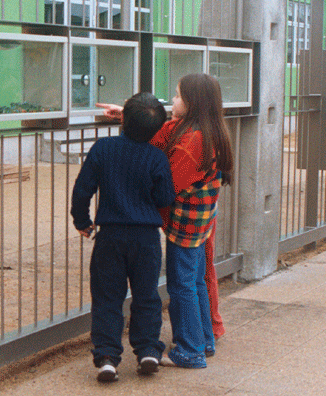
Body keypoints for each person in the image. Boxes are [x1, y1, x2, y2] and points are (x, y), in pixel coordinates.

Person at [98, 73, 233, 369]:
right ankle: (204, 340)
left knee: (181, 286)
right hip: (199, 224)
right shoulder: (200, 130)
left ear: (193, 102)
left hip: (185, 227)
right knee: (195, 281)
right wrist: (128, 115)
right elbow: (160, 130)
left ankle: (189, 350)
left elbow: (168, 186)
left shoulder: (193, 140)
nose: (172, 100)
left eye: (177, 95)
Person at [71, 92, 176, 382]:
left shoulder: (103, 148)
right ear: (157, 129)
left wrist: (82, 221)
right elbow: (165, 196)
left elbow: (82, 189)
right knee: (146, 295)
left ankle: (106, 356)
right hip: (146, 238)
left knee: (106, 297)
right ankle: (147, 350)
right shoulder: (156, 157)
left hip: (110, 237)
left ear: (123, 119)